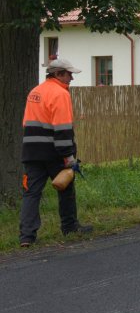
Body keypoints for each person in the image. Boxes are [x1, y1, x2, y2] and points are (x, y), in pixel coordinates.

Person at [19, 58, 93, 248]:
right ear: (58, 74)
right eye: (69, 75)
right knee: (66, 188)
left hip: (31, 151)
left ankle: (26, 236)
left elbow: (26, 124)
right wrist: (68, 156)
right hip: (54, 152)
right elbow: (62, 128)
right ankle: (69, 227)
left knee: (31, 193)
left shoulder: (35, 92)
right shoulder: (60, 94)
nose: (71, 79)